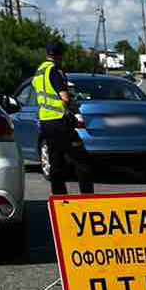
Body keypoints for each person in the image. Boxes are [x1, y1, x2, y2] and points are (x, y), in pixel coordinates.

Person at [33, 40, 94, 195]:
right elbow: (65, 97)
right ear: (60, 55)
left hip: (46, 122)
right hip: (60, 121)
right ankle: (88, 197)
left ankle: (60, 199)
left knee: (56, 161)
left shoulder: (39, 71)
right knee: (82, 160)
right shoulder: (55, 71)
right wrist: (75, 107)